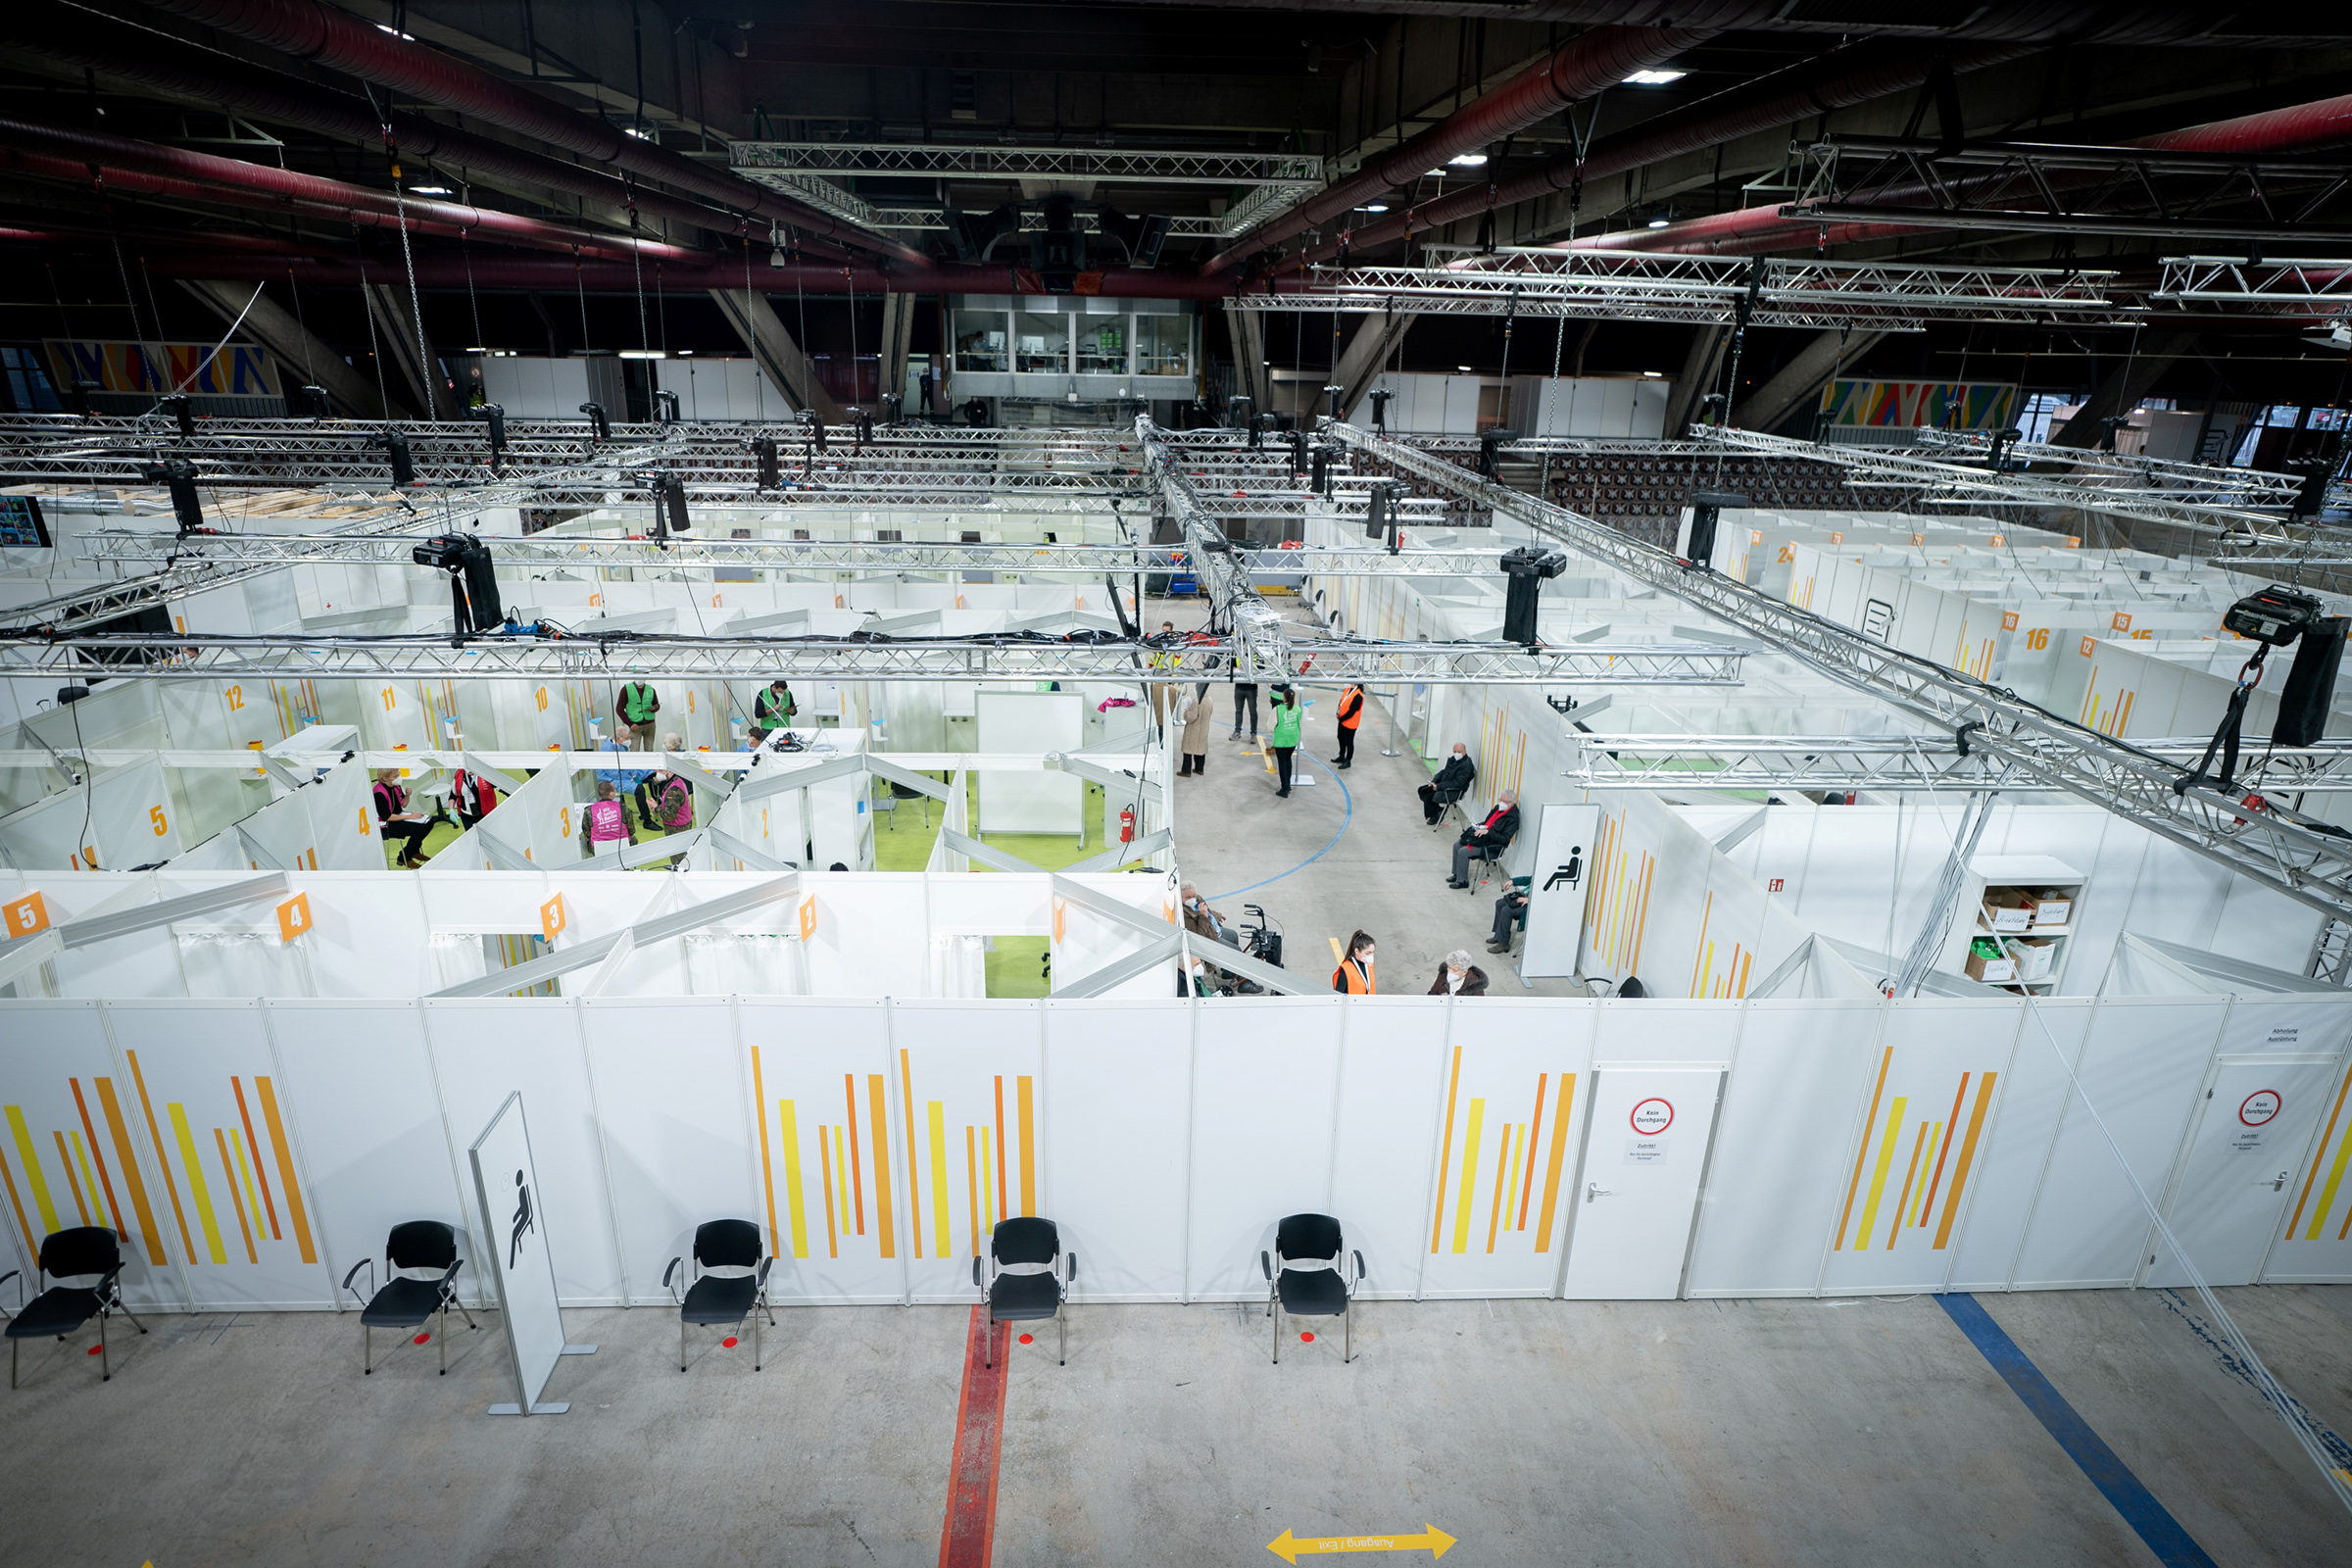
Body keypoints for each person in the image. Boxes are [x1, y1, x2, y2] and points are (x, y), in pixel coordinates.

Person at [1448, 791, 1520, 889]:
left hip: (1491, 847)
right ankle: (1457, 874)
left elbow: (1505, 839)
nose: (1501, 803)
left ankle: (1462, 881)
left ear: (1511, 803)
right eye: (1500, 800)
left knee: (1463, 851)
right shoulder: (1497, 808)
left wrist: (1488, 832)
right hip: (1483, 839)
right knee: (1457, 844)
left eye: (1505, 802)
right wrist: (1479, 826)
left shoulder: (1513, 819)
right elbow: (1487, 822)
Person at [635, 738, 695, 837]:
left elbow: (669, 816)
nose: (658, 773)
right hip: (682, 824)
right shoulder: (676, 780)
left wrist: (656, 807)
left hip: (677, 829)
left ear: (669, 770)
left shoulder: (674, 791)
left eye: (661, 771)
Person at [373, 769, 432, 868]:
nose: (398, 778)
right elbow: (386, 817)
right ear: (385, 778)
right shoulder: (379, 793)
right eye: (395, 776)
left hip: (399, 815)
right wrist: (409, 816)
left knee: (429, 822)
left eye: (398, 775)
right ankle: (404, 857)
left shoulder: (396, 786)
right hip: (387, 824)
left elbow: (403, 804)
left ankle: (414, 851)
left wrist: (408, 795)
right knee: (420, 829)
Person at [1420, 743, 1476, 826]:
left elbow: (1457, 783)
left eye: (1459, 751)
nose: (1456, 754)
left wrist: (1438, 787)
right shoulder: (1453, 759)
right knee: (1422, 790)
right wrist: (1434, 781)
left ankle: (1435, 815)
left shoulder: (1466, 765)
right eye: (1455, 751)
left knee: (1431, 796)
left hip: (1453, 791)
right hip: (1443, 785)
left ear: (1465, 752)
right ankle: (1438, 811)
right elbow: (1443, 771)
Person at [581, 779, 634, 856]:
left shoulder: (589, 811)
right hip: (622, 847)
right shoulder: (623, 808)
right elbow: (631, 830)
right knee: (633, 839)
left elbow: (587, 833)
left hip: (599, 848)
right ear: (611, 794)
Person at [1267, 683, 1302, 797]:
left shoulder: (1278, 709)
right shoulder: (1297, 709)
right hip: (1292, 739)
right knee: (1288, 761)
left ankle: (1284, 788)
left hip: (1281, 740)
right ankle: (1288, 785)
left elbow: (1270, 725)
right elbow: (1299, 723)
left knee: (1282, 763)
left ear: (1284, 697)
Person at [446, 764, 500, 833]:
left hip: (485, 815)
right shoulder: (458, 775)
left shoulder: (486, 775)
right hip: (466, 815)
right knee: (471, 836)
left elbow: (504, 789)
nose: (470, 770)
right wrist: (451, 810)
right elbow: (453, 796)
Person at [1177, 686, 1214, 777]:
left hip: (1194, 729)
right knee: (1200, 749)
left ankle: (1186, 771)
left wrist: (1187, 711)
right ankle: (1199, 769)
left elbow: (1190, 718)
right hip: (1204, 728)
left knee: (1187, 749)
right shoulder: (1210, 700)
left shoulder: (1196, 702)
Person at [615, 679, 662, 750]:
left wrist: (654, 708)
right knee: (634, 749)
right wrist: (630, 723)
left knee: (649, 748)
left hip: (650, 724)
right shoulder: (626, 689)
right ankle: (634, 761)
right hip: (635, 725)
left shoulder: (651, 689)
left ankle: (648, 760)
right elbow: (619, 709)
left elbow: (656, 705)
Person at [1488, 883, 1530, 957]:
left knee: (1506, 911)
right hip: (1526, 896)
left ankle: (1503, 943)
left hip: (1532, 904)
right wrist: (1513, 881)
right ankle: (1498, 936)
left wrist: (1530, 899)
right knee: (1500, 903)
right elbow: (1528, 879)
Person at [751, 678, 796, 745]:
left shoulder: (788, 693)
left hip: (783, 728)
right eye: (780, 692)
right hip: (768, 730)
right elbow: (758, 714)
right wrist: (773, 709)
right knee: (767, 750)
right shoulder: (763, 693)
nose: (782, 694)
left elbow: (794, 712)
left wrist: (791, 711)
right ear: (774, 687)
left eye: (783, 692)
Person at [1331, 682, 1364, 769]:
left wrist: (1342, 718)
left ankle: (1348, 760)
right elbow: (1341, 702)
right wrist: (1338, 713)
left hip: (1350, 723)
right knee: (1340, 737)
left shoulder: (1358, 696)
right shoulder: (1347, 690)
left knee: (1349, 742)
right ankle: (1341, 756)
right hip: (1342, 720)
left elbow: (1352, 711)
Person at [1331, 930, 1376, 994]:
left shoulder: (1368, 965)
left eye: (1372, 952)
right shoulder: (1346, 969)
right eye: (1368, 953)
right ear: (1357, 951)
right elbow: (1338, 995)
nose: (1371, 956)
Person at [1229, 672, 1259, 741]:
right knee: (1238, 710)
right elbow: (1231, 668)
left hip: (1252, 688)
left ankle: (1253, 733)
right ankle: (1237, 731)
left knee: (1253, 711)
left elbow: (1261, 670)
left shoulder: (1256, 660)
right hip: (1239, 687)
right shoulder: (1238, 660)